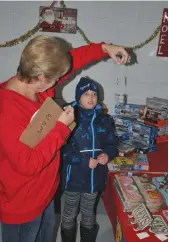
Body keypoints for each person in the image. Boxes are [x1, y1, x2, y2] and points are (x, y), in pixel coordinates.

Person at [0, 35, 129, 242]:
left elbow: (73, 60)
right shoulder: (7, 111)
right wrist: (60, 128)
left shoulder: (37, 85)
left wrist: (105, 48)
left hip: (45, 193)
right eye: (56, 79)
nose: (59, 81)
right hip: (22, 205)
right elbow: (27, 164)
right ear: (41, 77)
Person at [61, 76, 117, 242]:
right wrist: (84, 160)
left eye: (94, 93)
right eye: (86, 94)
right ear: (78, 97)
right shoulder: (69, 117)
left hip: (94, 178)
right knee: (70, 211)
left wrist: (107, 154)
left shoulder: (104, 120)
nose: (91, 97)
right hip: (74, 178)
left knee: (88, 211)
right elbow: (63, 148)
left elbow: (111, 144)